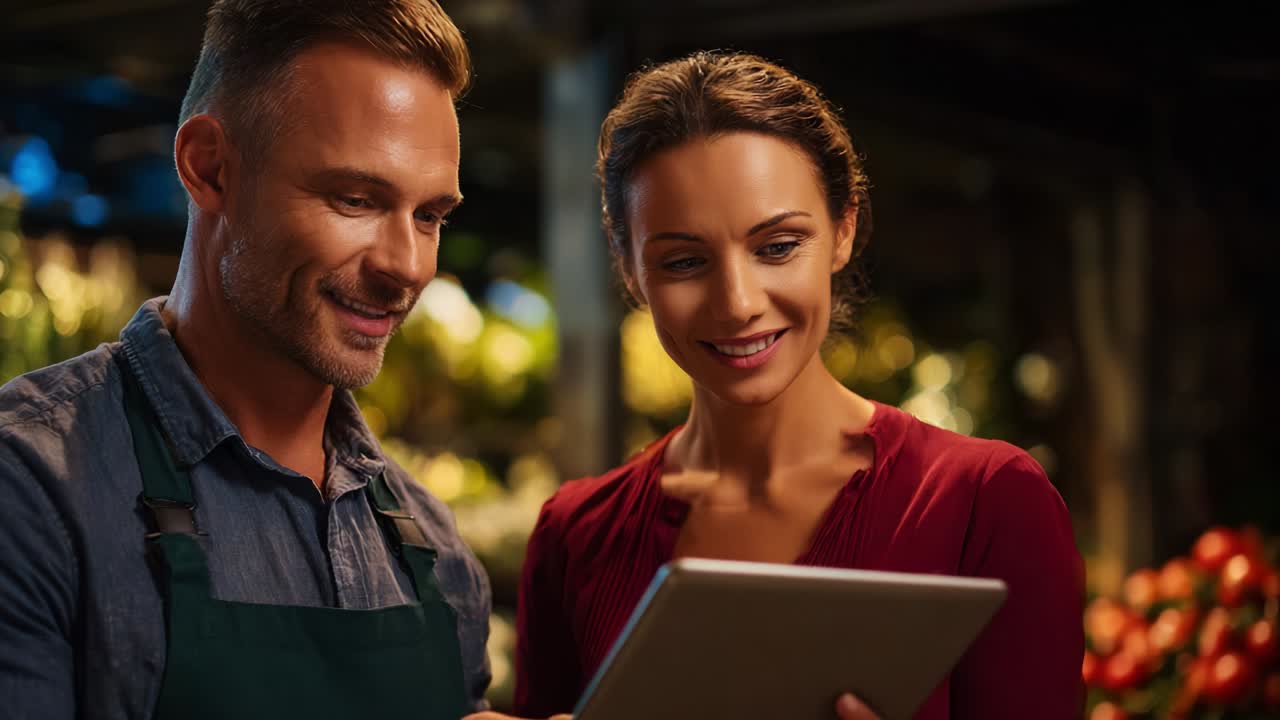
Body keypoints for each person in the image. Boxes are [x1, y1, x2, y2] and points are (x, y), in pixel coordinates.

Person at [513, 51, 1085, 719]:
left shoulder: (986, 503)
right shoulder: (575, 535)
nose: (737, 303)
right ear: (630, 270)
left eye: (778, 246)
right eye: (685, 261)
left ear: (842, 232)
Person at [0, 2, 494, 718]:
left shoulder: (434, 550)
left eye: (430, 217)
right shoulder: (33, 494)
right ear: (211, 169)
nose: (407, 266)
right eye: (356, 199)